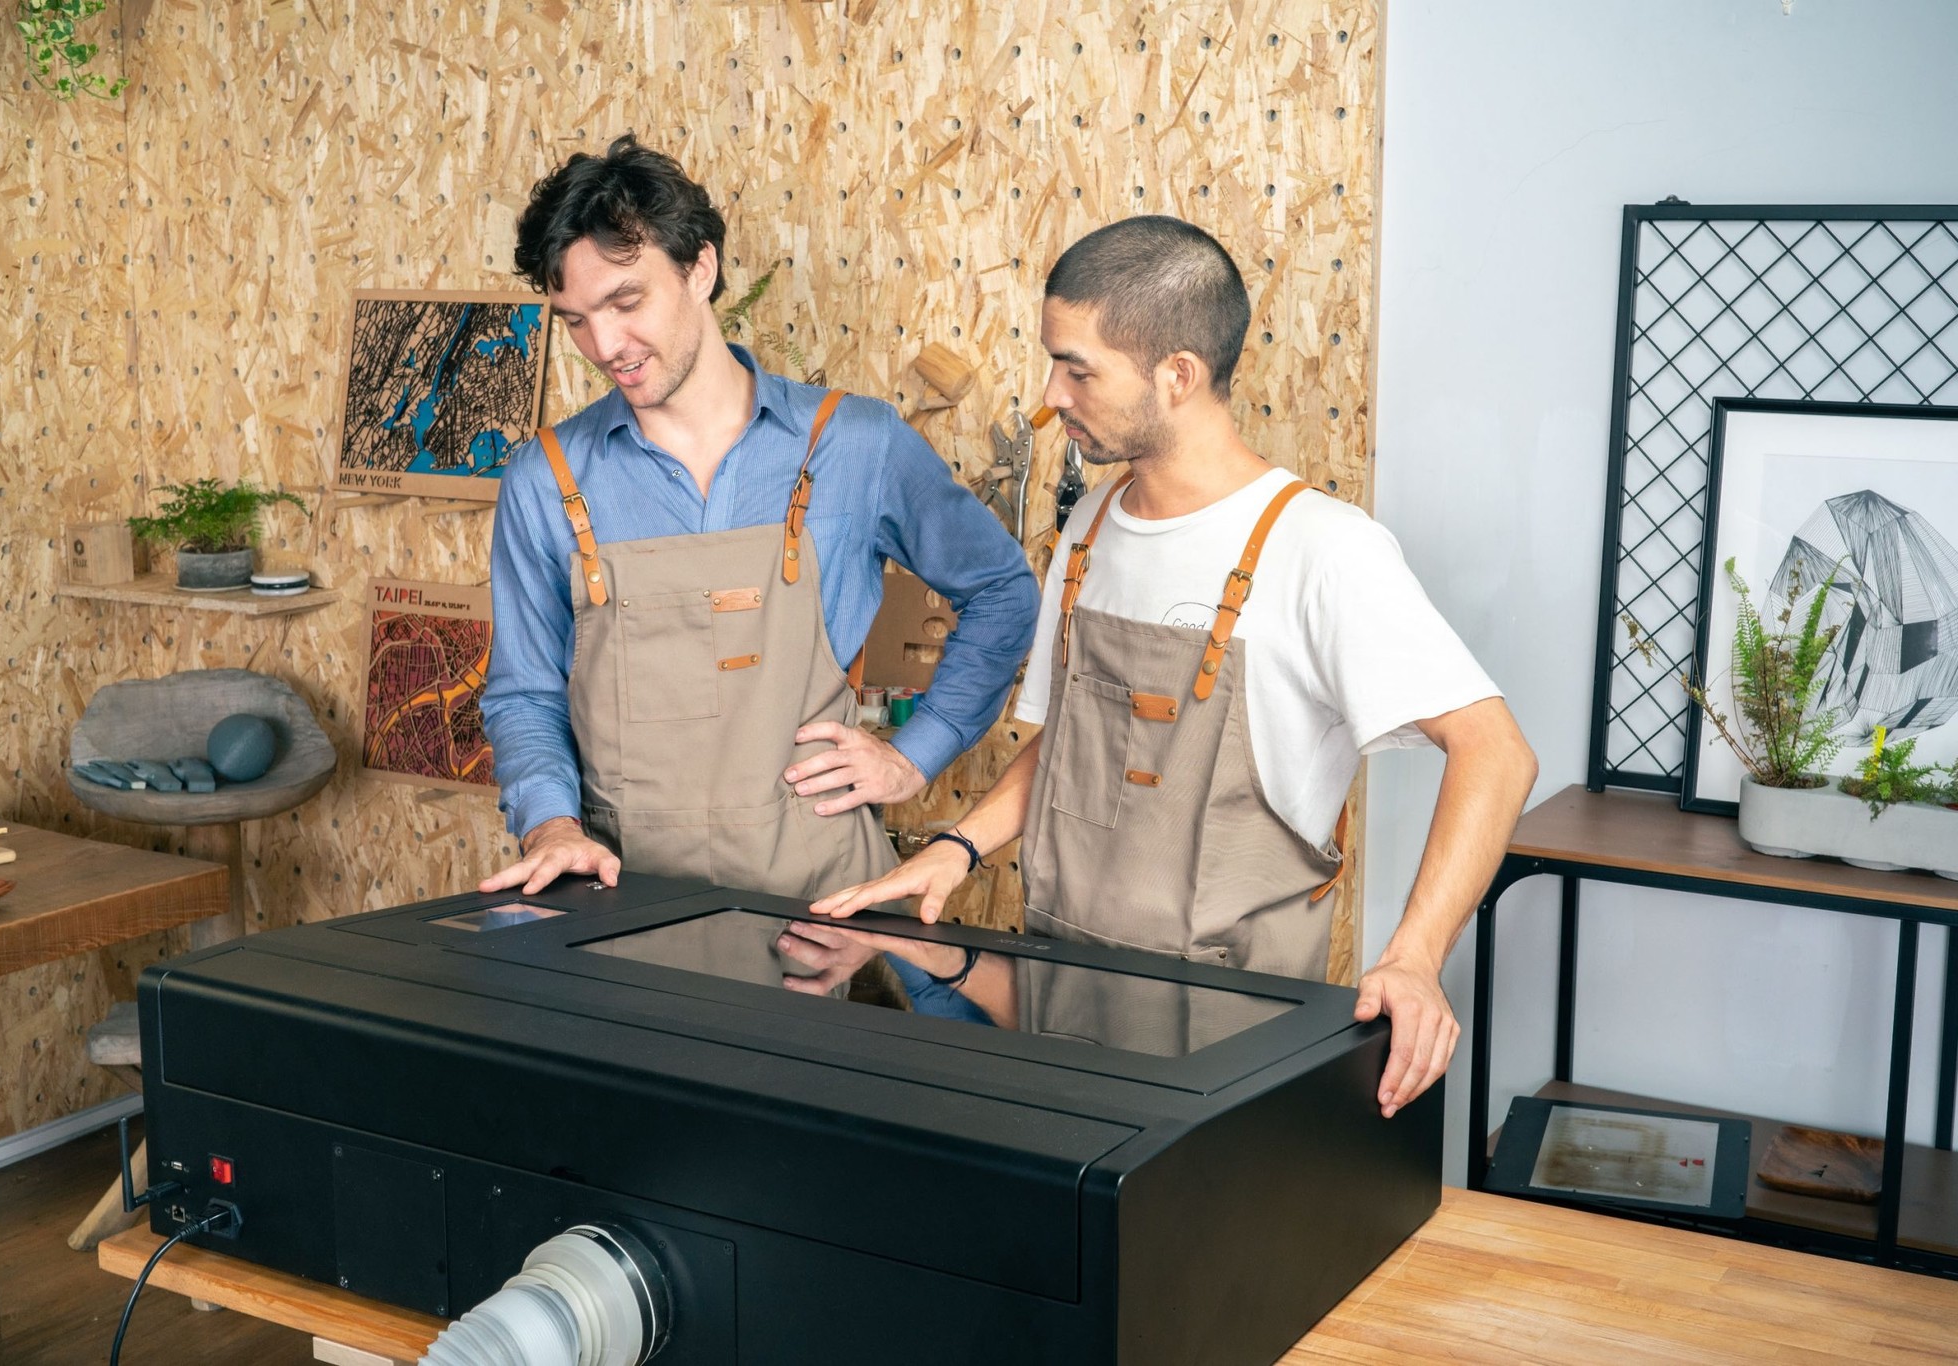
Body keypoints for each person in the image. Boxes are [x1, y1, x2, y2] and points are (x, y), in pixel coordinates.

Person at [809, 216, 1538, 1118]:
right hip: (1056, 1013)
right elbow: (1070, 745)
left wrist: (1413, 959)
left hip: (1234, 1056)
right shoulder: (1090, 529)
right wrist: (957, 852)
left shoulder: (1321, 550)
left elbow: (1496, 754)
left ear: (1177, 376)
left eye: (1078, 369)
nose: (1050, 395)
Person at [478, 135, 1038, 909]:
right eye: (575, 320)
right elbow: (523, 693)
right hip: (622, 904)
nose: (603, 346)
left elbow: (1004, 589)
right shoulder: (548, 478)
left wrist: (916, 755)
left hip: (823, 905)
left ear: (699, 268)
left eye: (626, 302)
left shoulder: (855, 445)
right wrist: (549, 826)